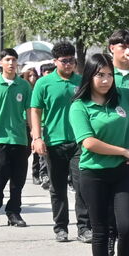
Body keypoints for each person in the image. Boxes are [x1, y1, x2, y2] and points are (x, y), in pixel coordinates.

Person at [71, 52, 129, 256]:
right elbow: (88, 142)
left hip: (121, 172)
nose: (106, 79)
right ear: (90, 75)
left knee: (127, 227)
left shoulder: (122, 97)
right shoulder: (79, 106)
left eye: (110, 74)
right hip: (93, 174)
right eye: (100, 74)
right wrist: (123, 151)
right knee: (100, 231)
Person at [30, 41, 90, 243]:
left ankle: (84, 227)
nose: (69, 64)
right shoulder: (43, 83)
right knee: (57, 188)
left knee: (82, 186)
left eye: (72, 60)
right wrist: (37, 137)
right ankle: (61, 227)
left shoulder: (82, 82)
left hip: (78, 143)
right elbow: (35, 111)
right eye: (64, 61)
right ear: (55, 62)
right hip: (53, 143)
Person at [0, 48, 31, 227]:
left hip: (20, 139)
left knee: (18, 179)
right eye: (8, 59)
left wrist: (35, 135)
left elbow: (30, 110)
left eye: (14, 60)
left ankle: (14, 212)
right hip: (0, 138)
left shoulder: (24, 86)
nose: (11, 63)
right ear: (1, 62)